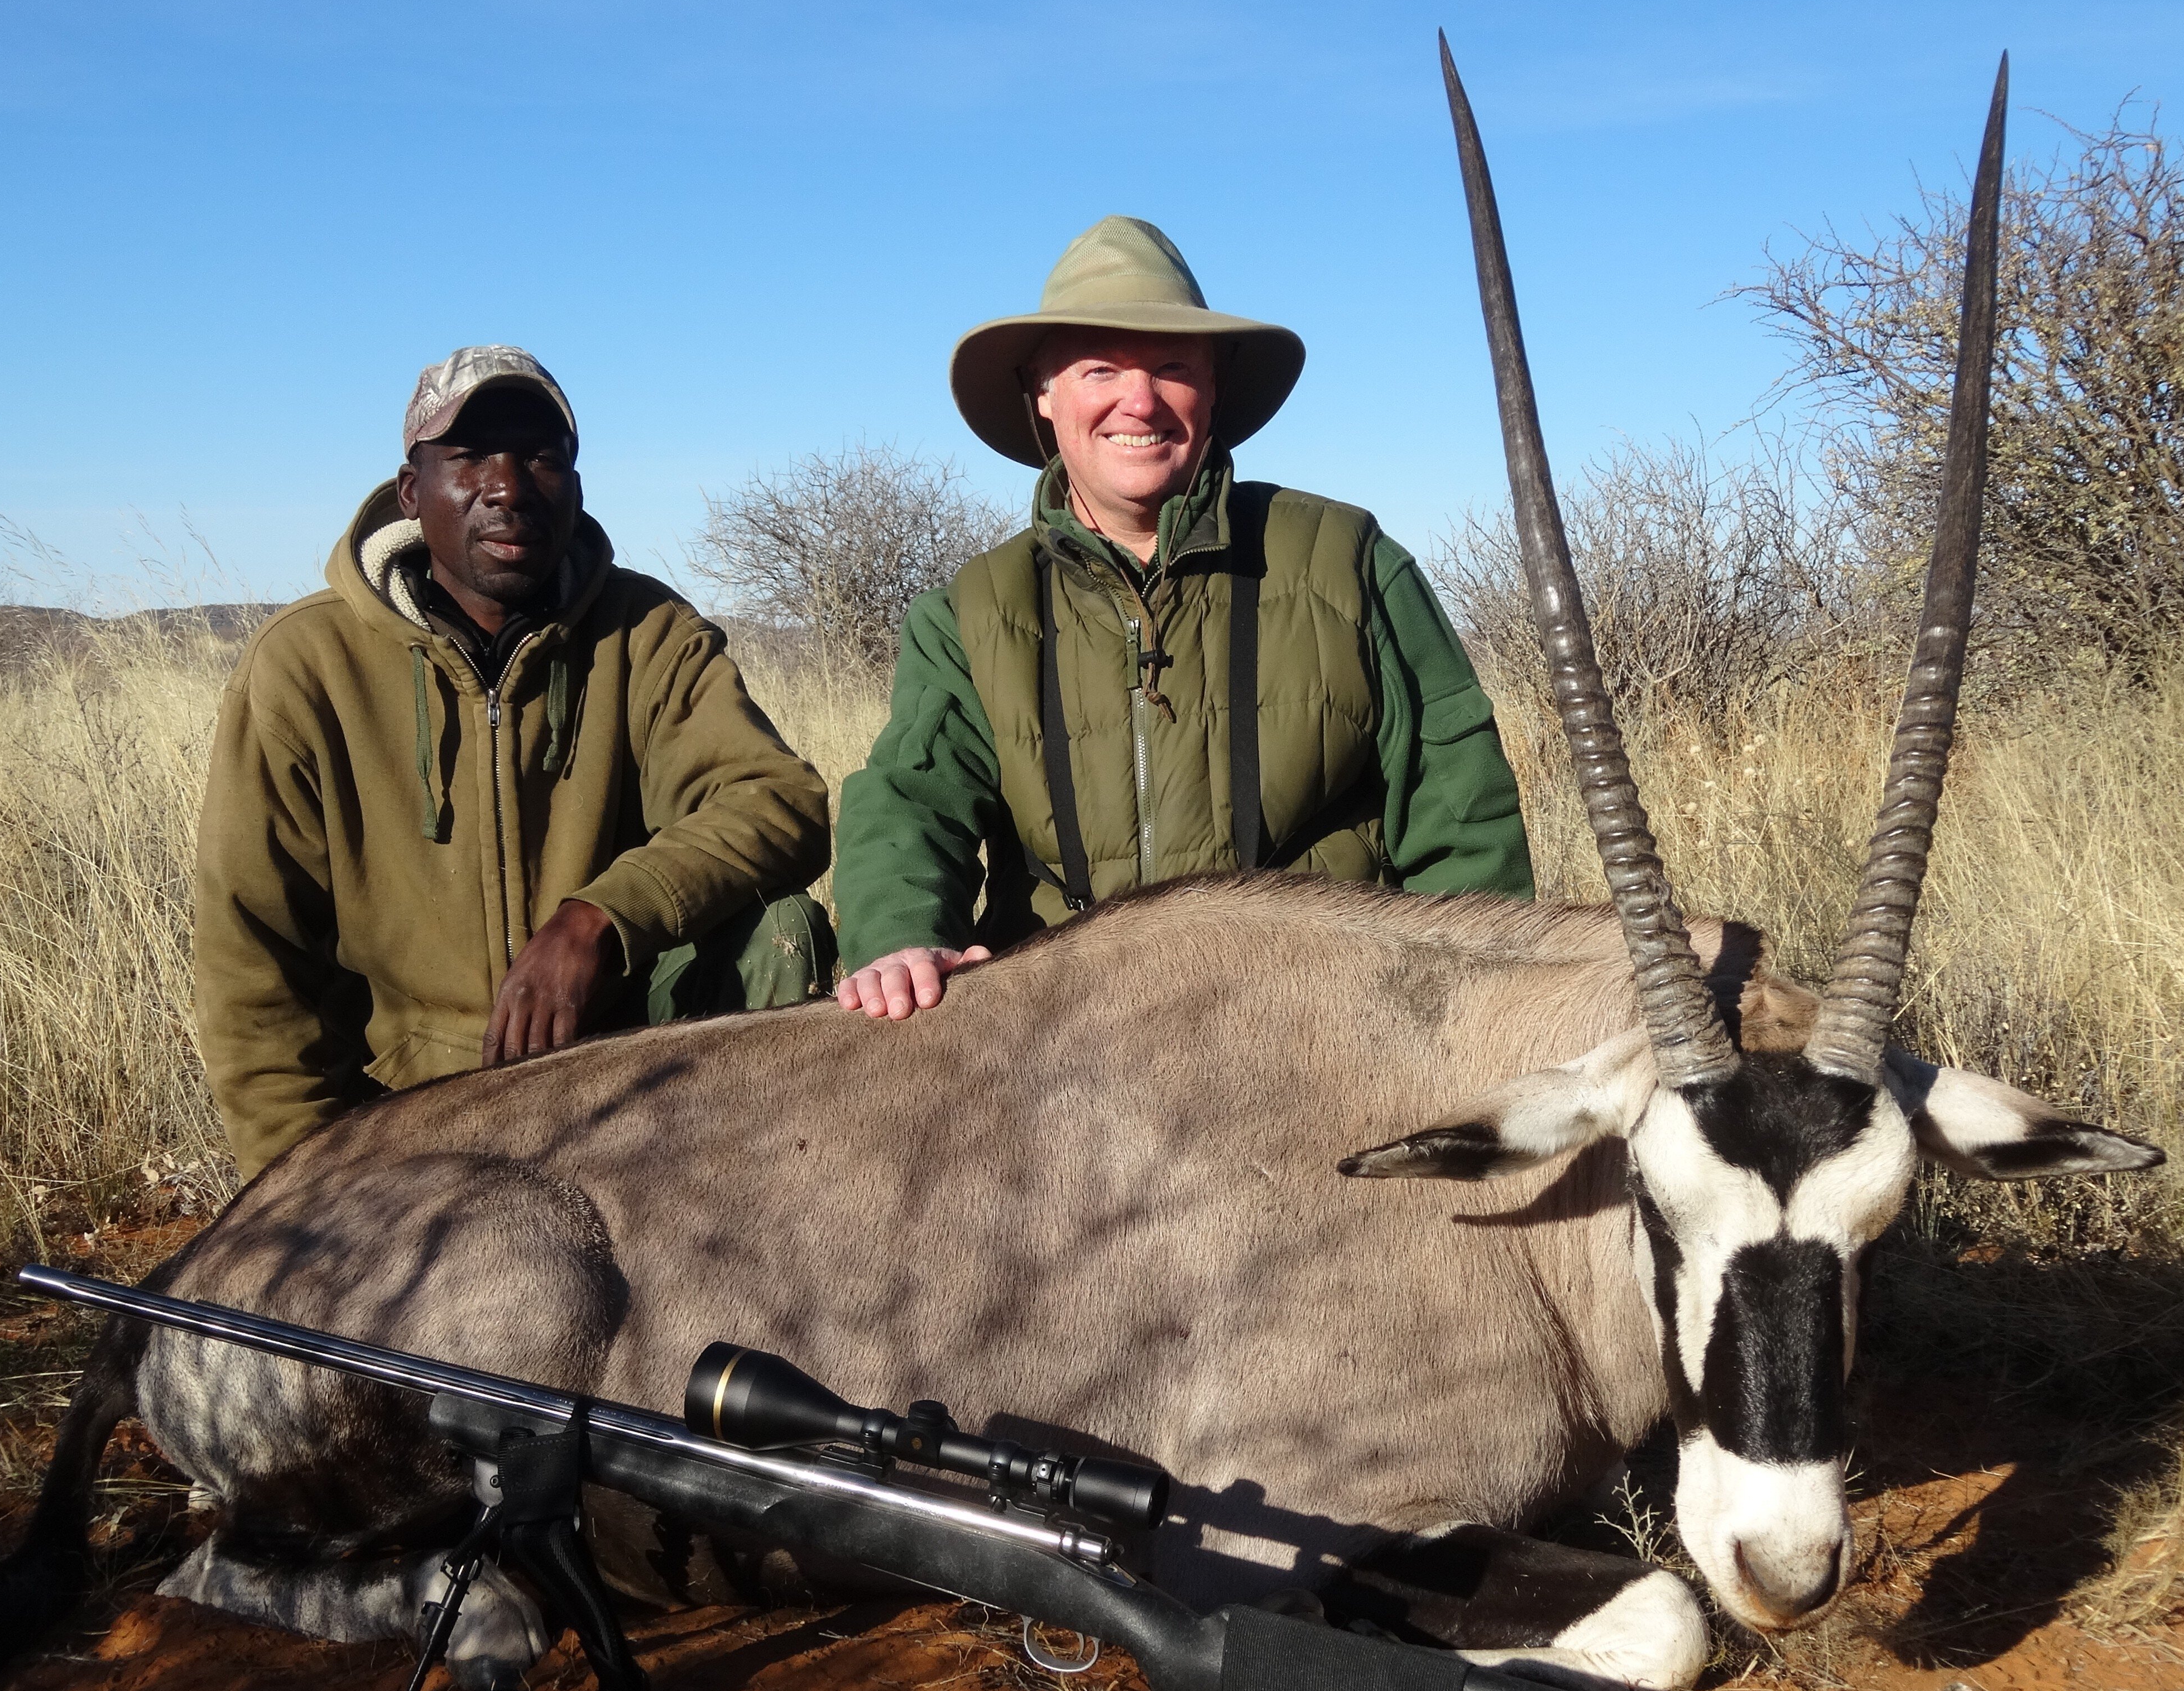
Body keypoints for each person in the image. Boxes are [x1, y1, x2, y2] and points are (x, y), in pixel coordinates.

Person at [832, 216, 1533, 1018]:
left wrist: (1482, 1012)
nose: (1141, 401)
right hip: (1067, 1028)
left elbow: (1460, 807)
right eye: (1101, 369)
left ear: (1213, 387)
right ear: (1044, 391)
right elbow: (913, 800)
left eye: (1172, 367)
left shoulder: (1350, 560)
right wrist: (899, 936)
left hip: (1324, 1018)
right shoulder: (970, 610)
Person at [195, 345, 833, 1176]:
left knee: (778, 932)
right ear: (411, 491)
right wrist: (300, 1197)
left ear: (574, 482)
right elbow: (252, 961)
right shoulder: (304, 665)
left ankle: (743, 1197)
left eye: (542, 456)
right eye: (468, 457)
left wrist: (598, 920)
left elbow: (779, 801)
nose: (508, 486)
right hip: (409, 1116)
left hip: (620, 1079)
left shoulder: (645, 631)